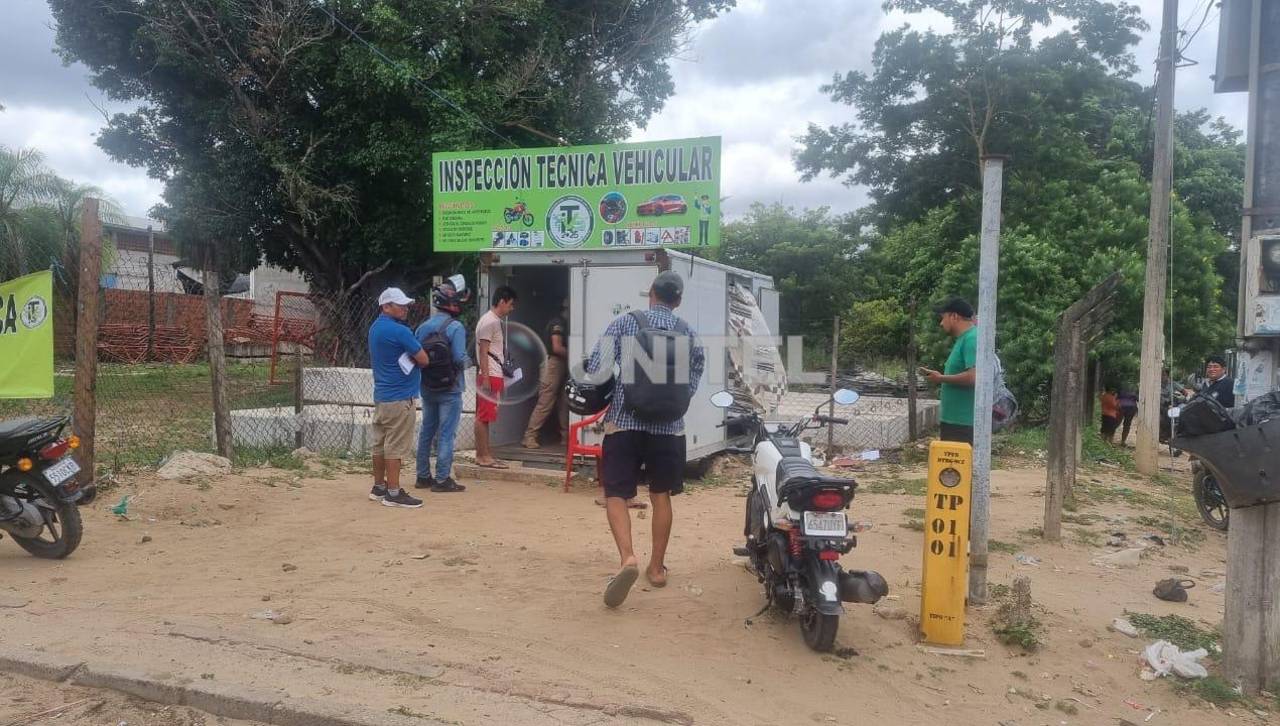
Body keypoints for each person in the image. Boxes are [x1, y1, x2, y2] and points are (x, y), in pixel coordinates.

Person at [587, 270, 705, 608]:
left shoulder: (625, 324)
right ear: (678, 300)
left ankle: (627, 558)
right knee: (661, 495)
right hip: (669, 428)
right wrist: (675, 400)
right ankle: (656, 568)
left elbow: (597, 367)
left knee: (616, 493)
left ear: (650, 293)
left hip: (624, 423)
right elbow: (695, 374)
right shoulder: (688, 332)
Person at [367, 287, 430, 509]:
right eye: (400, 305)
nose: (405, 309)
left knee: (380, 444)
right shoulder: (401, 332)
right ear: (386, 306)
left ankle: (379, 487)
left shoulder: (375, 328)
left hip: (382, 395)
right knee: (395, 446)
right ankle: (393, 493)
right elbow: (423, 359)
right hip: (401, 397)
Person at [414, 279, 470, 493]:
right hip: (451, 388)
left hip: (427, 386)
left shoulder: (422, 327)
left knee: (427, 431)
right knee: (447, 433)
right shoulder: (456, 327)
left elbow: (416, 355)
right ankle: (442, 479)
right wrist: (470, 361)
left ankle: (422, 476)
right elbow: (458, 358)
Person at [920, 297, 978, 445]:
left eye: (943, 317)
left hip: (962, 421)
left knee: (958, 467)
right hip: (955, 420)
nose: (941, 323)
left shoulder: (972, 338)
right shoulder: (963, 338)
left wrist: (941, 378)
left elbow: (974, 377)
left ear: (954, 316)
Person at [474, 286, 518, 469]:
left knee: (487, 416)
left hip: (493, 373)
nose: (512, 308)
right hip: (490, 374)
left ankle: (485, 454)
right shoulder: (489, 322)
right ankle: (482, 456)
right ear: (502, 301)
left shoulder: (492, 321)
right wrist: (486, 379)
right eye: (511, 304)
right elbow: (483, 352)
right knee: (483, 417)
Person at [522, 297, 570, 449]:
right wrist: (576, 354)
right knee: (546, 402)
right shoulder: (558, 323)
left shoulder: (560, 322)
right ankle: (529, 436)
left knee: (565, 401)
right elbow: (556, 347)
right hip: (554, 364)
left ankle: (566, 437)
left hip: (559, 364)